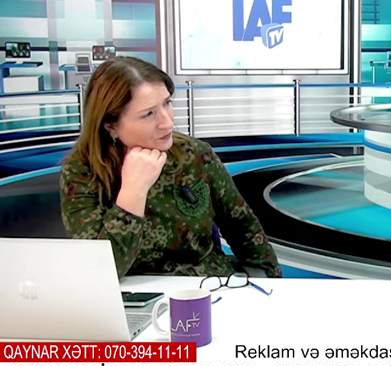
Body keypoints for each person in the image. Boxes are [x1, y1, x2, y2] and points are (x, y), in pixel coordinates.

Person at [59, 56, 282, 278]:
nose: (167, 122)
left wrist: (272, 283)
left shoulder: (195, 154)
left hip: (207, 284)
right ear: (111, 126)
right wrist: (133, 191)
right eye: (148, 114)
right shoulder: (81, 172)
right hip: (134, 292)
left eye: (167, 103)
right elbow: (100, 272)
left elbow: (242, 226)